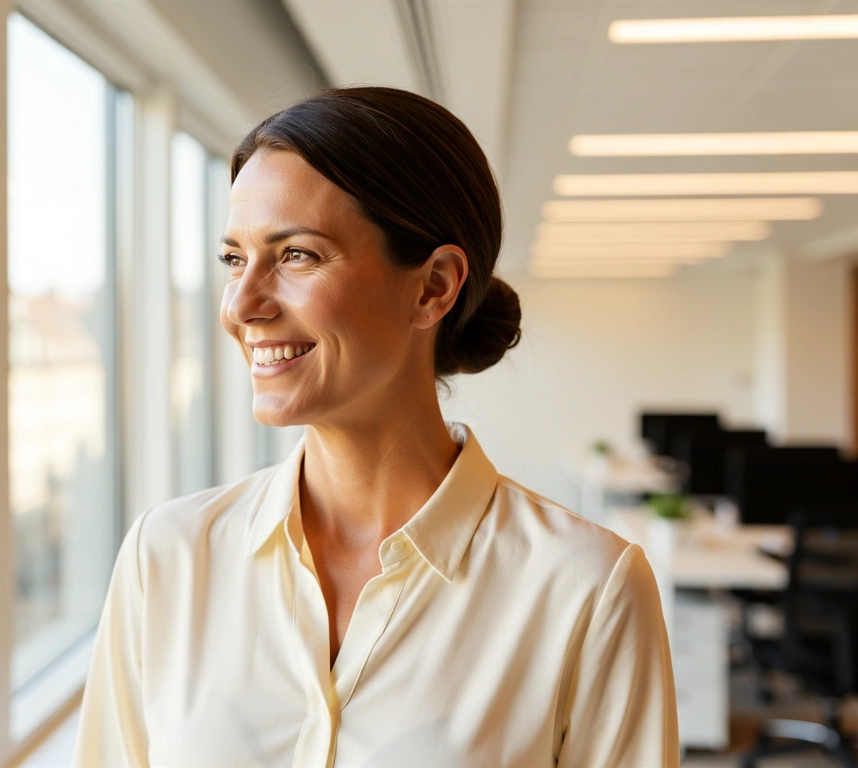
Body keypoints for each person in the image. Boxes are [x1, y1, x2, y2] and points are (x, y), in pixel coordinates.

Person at [73, 87, 678, 767]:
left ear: (433, 287)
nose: (241, 305)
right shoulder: (167, 558)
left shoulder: (587, 590)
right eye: (234, 259)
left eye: (296, 255)